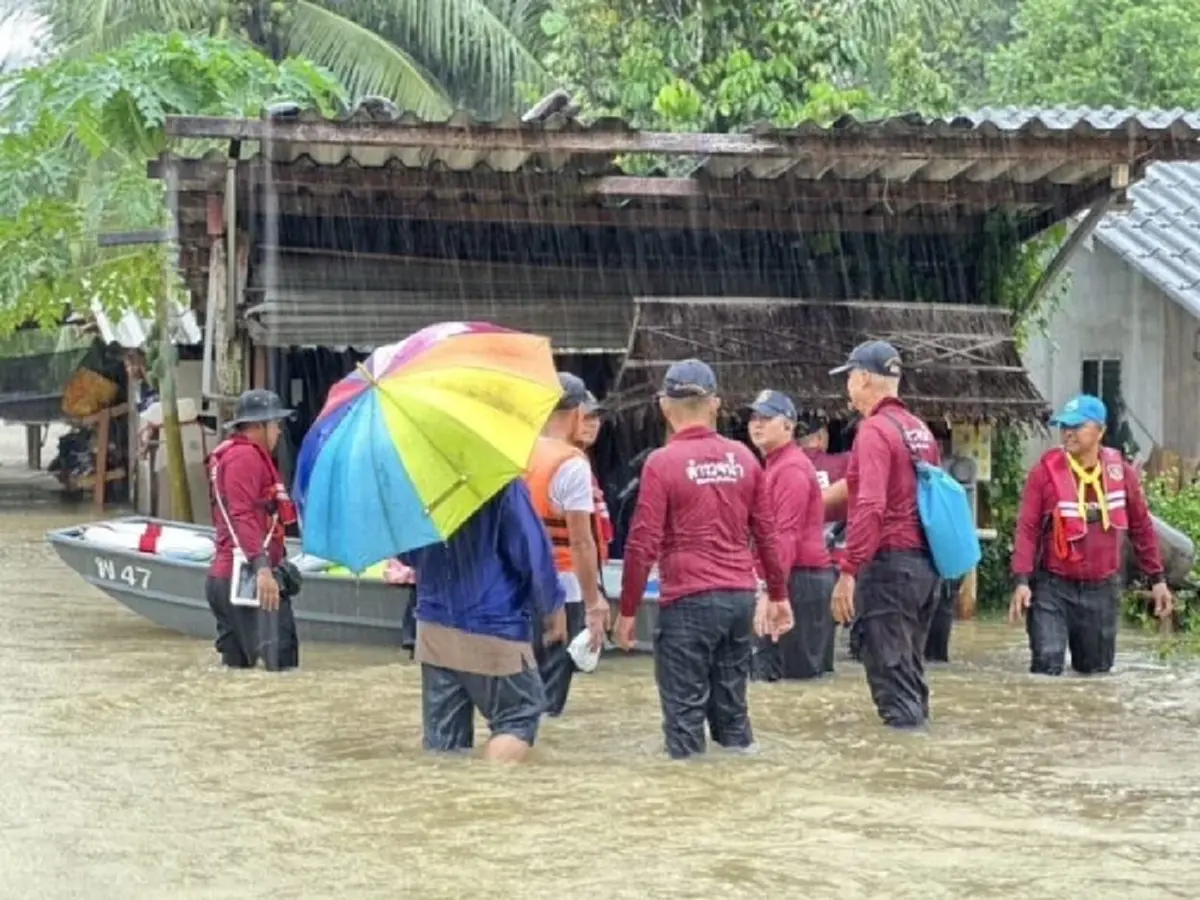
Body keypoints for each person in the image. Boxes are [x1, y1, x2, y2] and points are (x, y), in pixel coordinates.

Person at [617, 359, 793, 759]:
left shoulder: (661, 463)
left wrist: (627, 611)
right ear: (715, 403)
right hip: (737, 600)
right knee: (733, 716)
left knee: (684, 721)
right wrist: (779, 595)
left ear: (664, 405)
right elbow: (766, 535)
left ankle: (689, 808)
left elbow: (642, 544)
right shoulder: (745, 459)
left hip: (688, 604)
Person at [399, 479, 566, 762]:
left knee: (444, 744)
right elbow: (531, 552)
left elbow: (407, 553)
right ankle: (488, 793)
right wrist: (552, 606)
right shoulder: (501, 483)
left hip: (433, 630)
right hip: (495, 626)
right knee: (519, 717)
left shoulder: (417, 485)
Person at [1009, 394, 1172, 675]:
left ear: (1100, 431)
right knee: (1046, 667)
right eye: (1064, 427)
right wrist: (1022, 581)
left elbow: (1141, 528)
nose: (1067, 433)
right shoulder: (1043, 474)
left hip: (1102, 590)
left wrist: (1157, 580)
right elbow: (1027, 528)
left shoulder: (1122, 474)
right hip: (1052, 588)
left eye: (1076, 426)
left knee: (1095, 676)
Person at [827, 340, 942, 730]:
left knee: (893, 684)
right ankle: (917, 751)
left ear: (862, 379)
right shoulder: (920, 430)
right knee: (909, 674)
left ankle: (905, 768)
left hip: (890, 568)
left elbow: (871, 506)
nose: (847, 388)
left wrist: (848, 570)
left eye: (848, 379)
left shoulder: (874, 431)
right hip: (925, 570)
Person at [523, 373, 610, 716]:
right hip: (563, 588)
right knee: (549, 698)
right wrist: (594, 602)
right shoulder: (571, 463)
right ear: (575, 414)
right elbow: (581, 543)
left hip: (516, 586)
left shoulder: (516, 452)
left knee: (522, 686)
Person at [204, 389, 300, 671]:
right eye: (275, 425)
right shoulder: (244, 458)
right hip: (247, 578)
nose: (279, 432)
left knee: (239, 671)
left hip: (230, 575)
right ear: (258, 425)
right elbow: (242, 515)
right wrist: (262, 568)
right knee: (280, 667)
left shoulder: (236, 455)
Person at [747, 390, 837, 681]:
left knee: (792, 681)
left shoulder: (791, 469)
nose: (756, 424)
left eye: (766, 418)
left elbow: (786, 536)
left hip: (799, 582)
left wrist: (772, 593)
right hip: (791, 581)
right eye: (754, 418)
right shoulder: (774, 466)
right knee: (782, 681)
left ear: (788, 426)